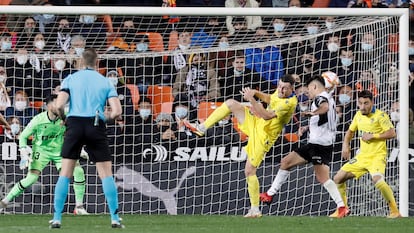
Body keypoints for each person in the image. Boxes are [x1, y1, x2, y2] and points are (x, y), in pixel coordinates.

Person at [185, 74, 298, 218]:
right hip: (256, 125)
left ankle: (255, 210)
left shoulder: (289, 103)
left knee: (249, 171)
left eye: (285, 88)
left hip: (264, 137)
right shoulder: (280, 92)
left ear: (292, 89)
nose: (281, 90)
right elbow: (270, 99)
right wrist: (255, 93)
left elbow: (266, 115)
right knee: (231, 103)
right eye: (280, 86)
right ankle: (201, 128)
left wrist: (251, 99)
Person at [50, 48, 123, 228]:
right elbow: (118, 111)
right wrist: (107, 119)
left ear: (80, 62)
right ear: (97, 62)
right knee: (106, 175)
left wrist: (65, 119)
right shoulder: (105, 81)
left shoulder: (70, 79)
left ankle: (57, 217)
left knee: (65, 174)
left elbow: (59, 105)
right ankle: (114, 218)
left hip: (74, 124)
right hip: (96, 123)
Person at [259, 75, 349, 218]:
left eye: (308, 90)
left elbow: (324, 108)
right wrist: (308, 127)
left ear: (314, 87)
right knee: (286, 162)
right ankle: (269, 194)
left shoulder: (320, 98)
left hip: (319, 145)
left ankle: (342, 206)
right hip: (318, 143)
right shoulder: (328, 97)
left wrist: (311, 112)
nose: (308, 93)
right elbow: (323, 120)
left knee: (323, 178)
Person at [0, 95, 89, 215]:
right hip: (41, 151)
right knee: (31, 179)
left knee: (78, 171)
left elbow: (75, 131)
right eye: (56, 103)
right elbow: (23, 136)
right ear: (48, 106)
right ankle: (4, 202)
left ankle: (79, 207)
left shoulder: (66, 116)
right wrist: (23, 152)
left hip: (60, 151)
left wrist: (79, 148)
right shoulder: (38, 120)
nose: (59, 106)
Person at [332, 90, 401, 218]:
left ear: (372, 102)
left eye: (366, 103)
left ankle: (394, 211)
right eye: (360, 103)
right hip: (362, 157)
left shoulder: (381, 116)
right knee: (338, 178)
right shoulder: (358, 115)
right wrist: (345, 145)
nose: (363, 106)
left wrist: (373, 136)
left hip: (377, 156)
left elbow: (392, 133)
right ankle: (343, 209)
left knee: (377, 179)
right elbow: (350, 131)